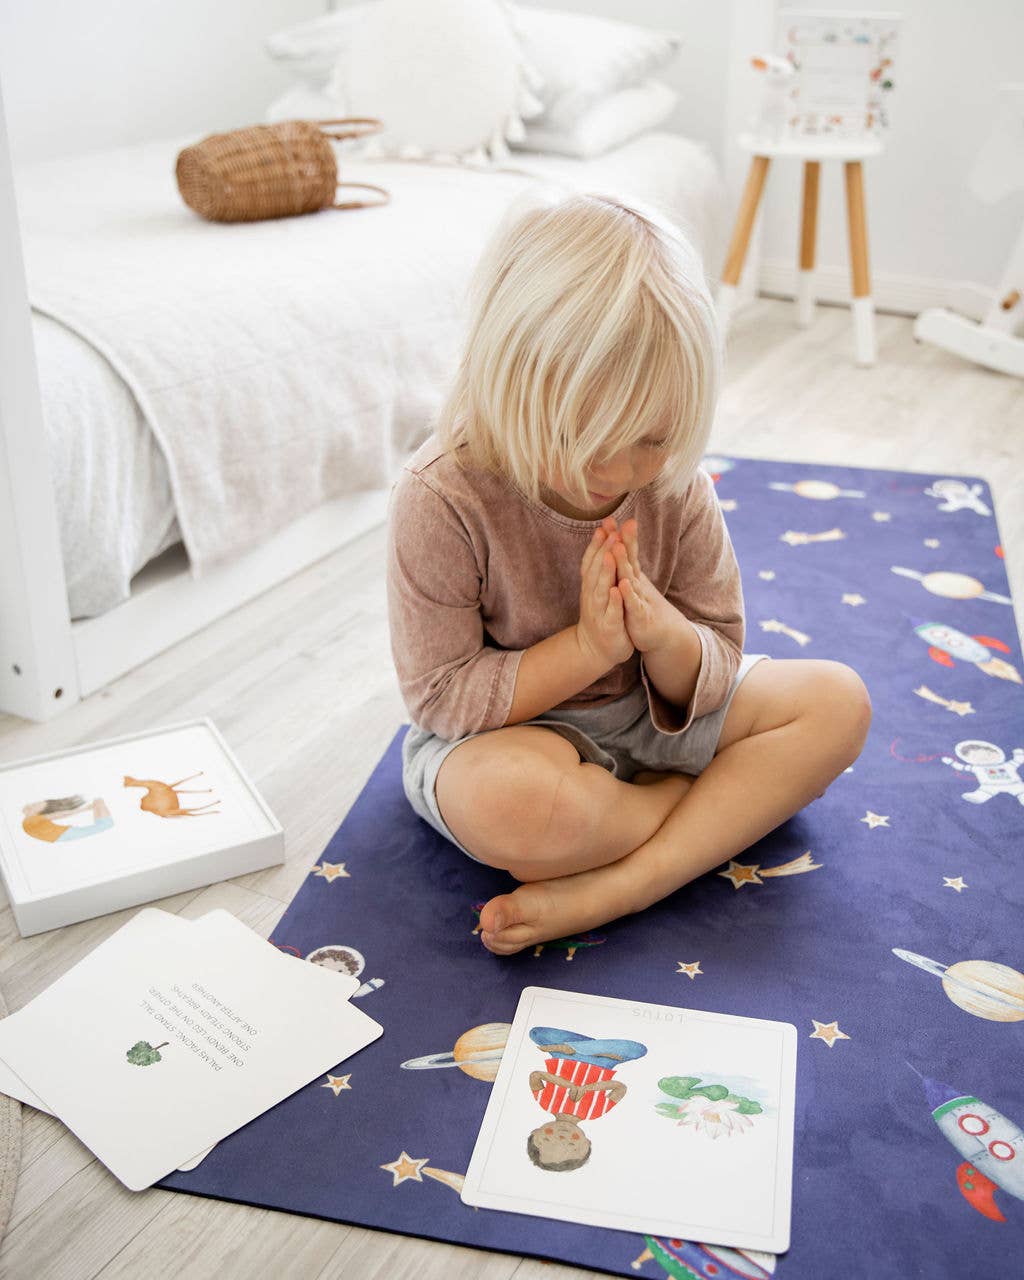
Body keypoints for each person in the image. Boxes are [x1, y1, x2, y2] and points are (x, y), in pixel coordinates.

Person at [386, 187, 871, 956]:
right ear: (509, 381)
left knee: (837, 702)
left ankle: (626, 880)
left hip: (653, 717)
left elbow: (721, 655)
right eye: (584, 436)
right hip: (515, 736)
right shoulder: (442, 494)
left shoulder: (674, 482)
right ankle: (699, 816)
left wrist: (666, 639)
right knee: (514, 810)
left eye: (649, 438)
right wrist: (588, 650)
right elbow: (442, 699)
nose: (614, 471)